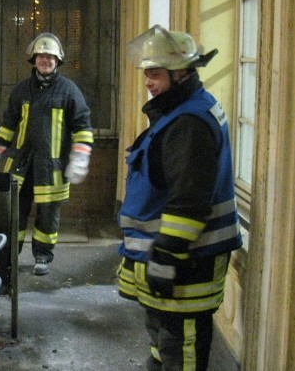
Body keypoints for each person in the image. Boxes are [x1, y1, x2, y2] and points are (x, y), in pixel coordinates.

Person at [117, 25, 242, 371]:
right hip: (181, 260)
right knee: (164, 342)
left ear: (181, 72)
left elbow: (189, 201)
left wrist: (166, 256)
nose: (148, 81)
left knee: (181, 350)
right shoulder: (186, 109)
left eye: (155, 73)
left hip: (187, 262)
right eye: (146, 73)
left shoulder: (188, 122)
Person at [0, 32, 94, 276]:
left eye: (50, 57)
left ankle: (43, 256)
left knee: (48, 215)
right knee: (14, 212)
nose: (45, 60)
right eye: (41, 56)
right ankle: (8, 257)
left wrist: (80, 156)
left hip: (52, 167)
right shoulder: (22, 90)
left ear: (58, 61)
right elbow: (8, 124)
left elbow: (82, 126)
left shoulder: (69, 91)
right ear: (34, 60)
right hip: (21, 165)